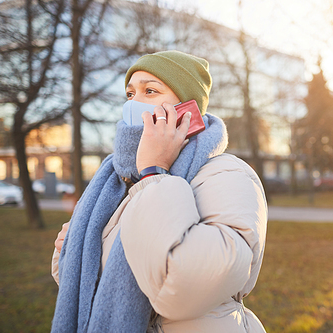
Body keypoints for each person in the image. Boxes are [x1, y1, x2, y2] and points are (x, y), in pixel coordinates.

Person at [51, 50, 268, 333]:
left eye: (150, 90)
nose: (135, 103)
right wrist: (68, 247)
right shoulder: (115, 180)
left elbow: (181, 288)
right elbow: (79, 282)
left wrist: (154, 171)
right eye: (130, 94)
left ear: (187, 108)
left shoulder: (227, 174)